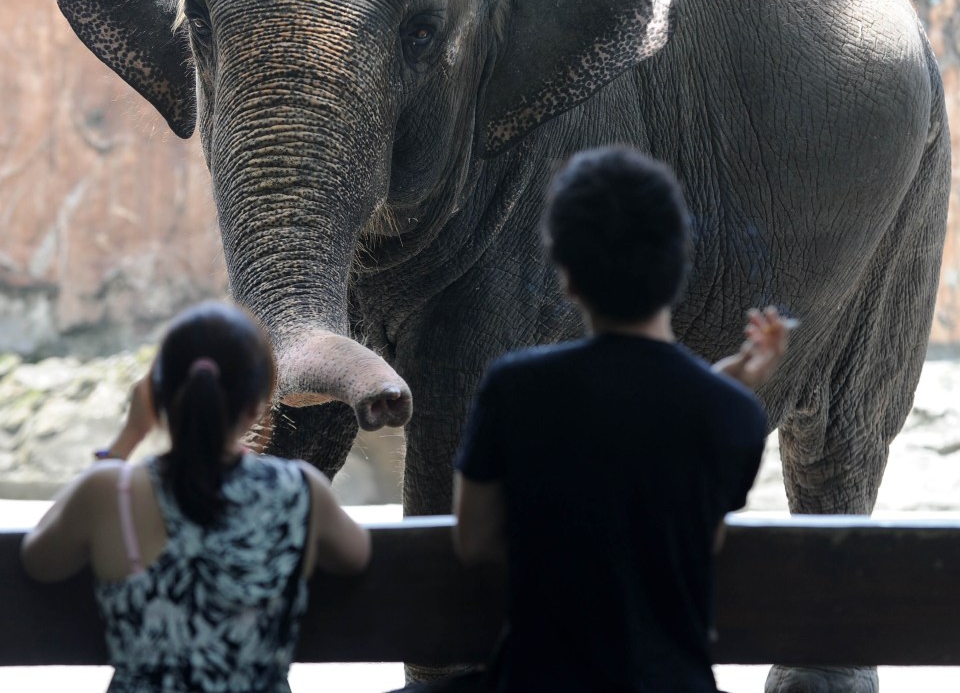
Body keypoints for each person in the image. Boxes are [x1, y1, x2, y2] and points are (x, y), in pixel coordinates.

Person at [452, 147, 790, 693]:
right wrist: (721, 389)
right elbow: (695, 535)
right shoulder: (733, 417)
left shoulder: (514, 387)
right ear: (680, 263)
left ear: (568, 278)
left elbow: (475, 541)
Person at [21, 300, 370, 693]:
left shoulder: (109, 492)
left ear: (158, 397)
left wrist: (127, 439)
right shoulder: (301, 491)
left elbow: (39, 561)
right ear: (257, 406)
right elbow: (355, 557)